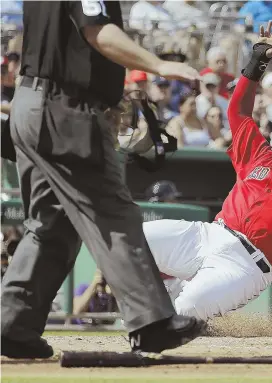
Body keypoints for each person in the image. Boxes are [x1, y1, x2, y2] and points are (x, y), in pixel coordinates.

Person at [1, 1, 206, 359]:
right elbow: (98, 32)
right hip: (64, 110)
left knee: (51, 224)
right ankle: (151, 323)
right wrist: (158, 64)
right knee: (112, 212)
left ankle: (12, 324)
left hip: (32, 101)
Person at [142, 22, 272, 321]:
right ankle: (163, 294)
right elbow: (237, 112)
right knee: (132, 240)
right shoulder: (260, 156)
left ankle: (179, 314)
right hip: (208, 235)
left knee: (186, 311)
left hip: (247, 266)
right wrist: (257, 63)